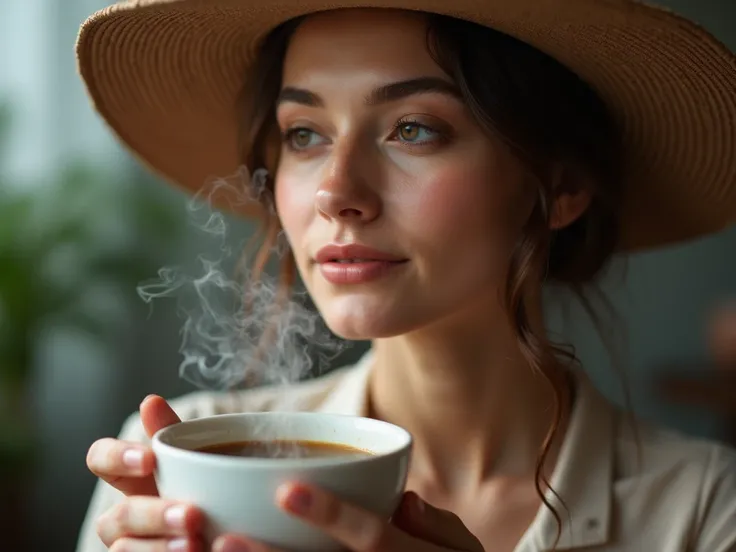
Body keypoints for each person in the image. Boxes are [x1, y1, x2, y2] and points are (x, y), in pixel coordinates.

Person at [74, 1, 736, 551]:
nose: (336, 191)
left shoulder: (705, 509)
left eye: (413, 129)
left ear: (560, 182)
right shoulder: (177, 470)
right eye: (304, 133)